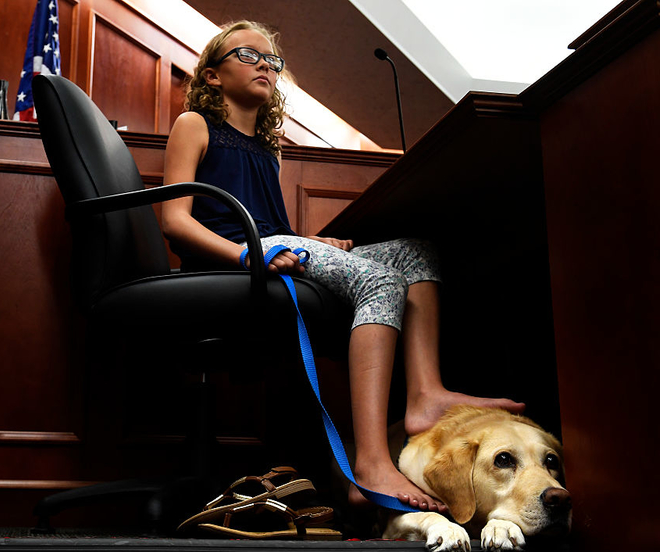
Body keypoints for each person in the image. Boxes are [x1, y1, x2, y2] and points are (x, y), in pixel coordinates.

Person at [161, 21, 525, 513]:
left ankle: (424, 393)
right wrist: (251, 254)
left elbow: (273, 226)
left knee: (415, 254)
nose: (266, 64)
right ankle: (370, 462)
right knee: (379, 277)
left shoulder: (270, 150)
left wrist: (311, 244)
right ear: (211, 76)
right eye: (248, 55)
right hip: (237, 260)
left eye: (272, 59)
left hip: (274, 247)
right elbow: (175, 220)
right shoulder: (195, 125)